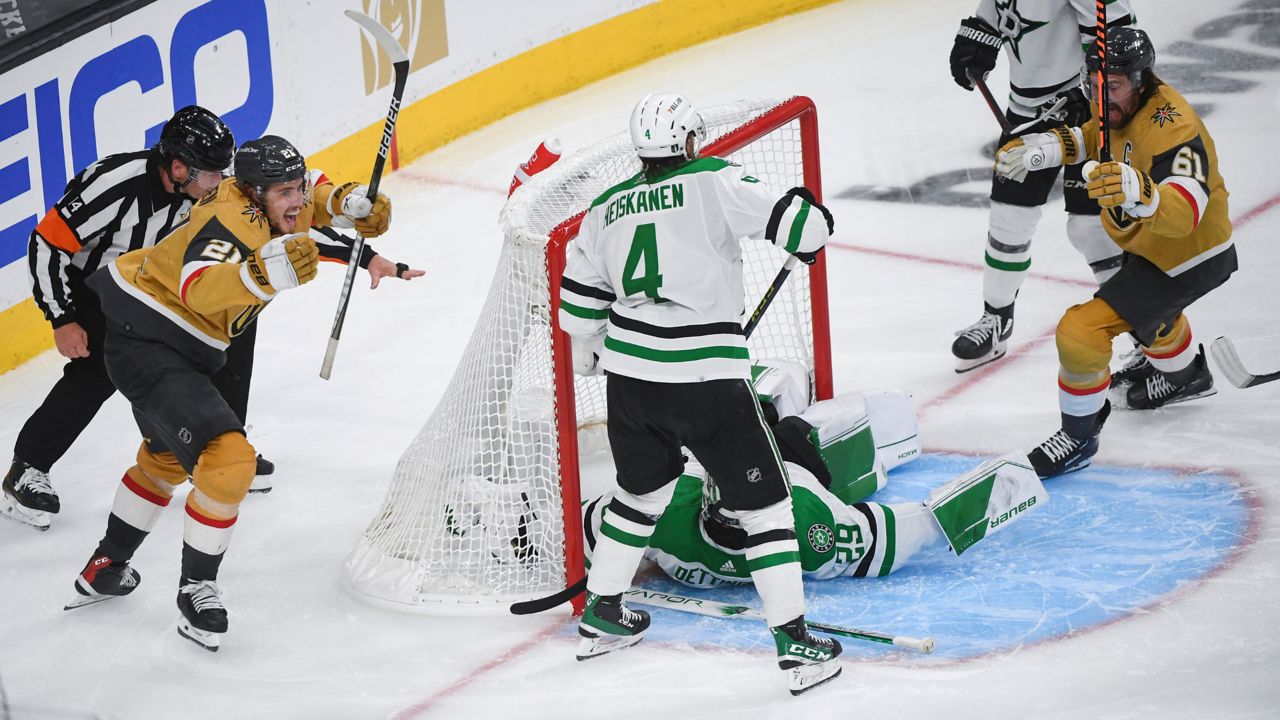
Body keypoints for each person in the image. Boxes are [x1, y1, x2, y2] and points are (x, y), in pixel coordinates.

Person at [64, 135, 397, 653]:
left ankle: (105, 566)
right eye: (285, 192)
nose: (296, 200)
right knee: (229, 462)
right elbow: (200, 285)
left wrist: (350, 204)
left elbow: (315, 193)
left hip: (164, 337)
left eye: (297, 188)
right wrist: (260, 274)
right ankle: (195, 588)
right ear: (257, 193)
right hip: (152, 340)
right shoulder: (231, 221)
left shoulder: (272, 196)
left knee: (165, 460)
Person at [558, 92, 840, 695]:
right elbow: (802, 226)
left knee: (639, 496)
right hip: (707, 384)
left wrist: (599, 353)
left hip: (631, 386)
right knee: (766, 508)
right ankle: (796, 644)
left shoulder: (604, 209)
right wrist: (811, 222)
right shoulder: (712, 179)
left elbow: (578, 313)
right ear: (688, 141)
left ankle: (603, 612)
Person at [994, 28, 1234, 478]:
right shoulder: (1119, 104)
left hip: (1185, 254)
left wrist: (1142, 193)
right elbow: (1095, 133)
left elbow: (1186, 212)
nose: (1101, 98)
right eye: (1093, 84)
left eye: (1114, 86)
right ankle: (1188, 377)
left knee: (1079, 331)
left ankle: (1079, 437)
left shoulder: (1171, 124)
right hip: (1154, 247)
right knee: (1149, 317)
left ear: (1141, 79)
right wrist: (1051, 148)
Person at [583, 394, 1044, 590]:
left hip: (785, 471)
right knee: (784, 427)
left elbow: (913, 529)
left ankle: (797, 410)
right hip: (767, 469)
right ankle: (789, 412)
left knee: (793, 434)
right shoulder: (808, 529)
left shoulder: (810, 519)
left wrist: (1006, 487)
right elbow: (914, 528)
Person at [948, 0, 1135, 372]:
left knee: (1092, 229)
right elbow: (996, 14)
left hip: (1080, 110)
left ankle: (1145, 328)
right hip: (1026, 111)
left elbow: (1118, 34)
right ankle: (996, 319)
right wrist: (975, 41)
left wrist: (1097, 93)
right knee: (1008, 220)